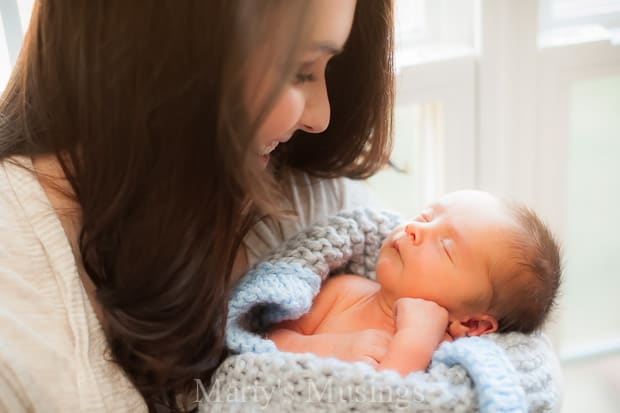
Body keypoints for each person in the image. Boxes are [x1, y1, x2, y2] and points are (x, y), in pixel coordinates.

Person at [0, 1, 395, 411]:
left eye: (327, 67)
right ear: (162, 54)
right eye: (300, 70)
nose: (321, 117)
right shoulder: (19, 329)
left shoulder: (315, 207)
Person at [268, 190, 562, 376]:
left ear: (473, 325)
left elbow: (390, 399)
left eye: (445, 246)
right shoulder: (343, 291)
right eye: (425, 216)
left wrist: (416, 339)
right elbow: (266, 345)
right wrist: (333, 348)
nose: (414, 229)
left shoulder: (444, 355)